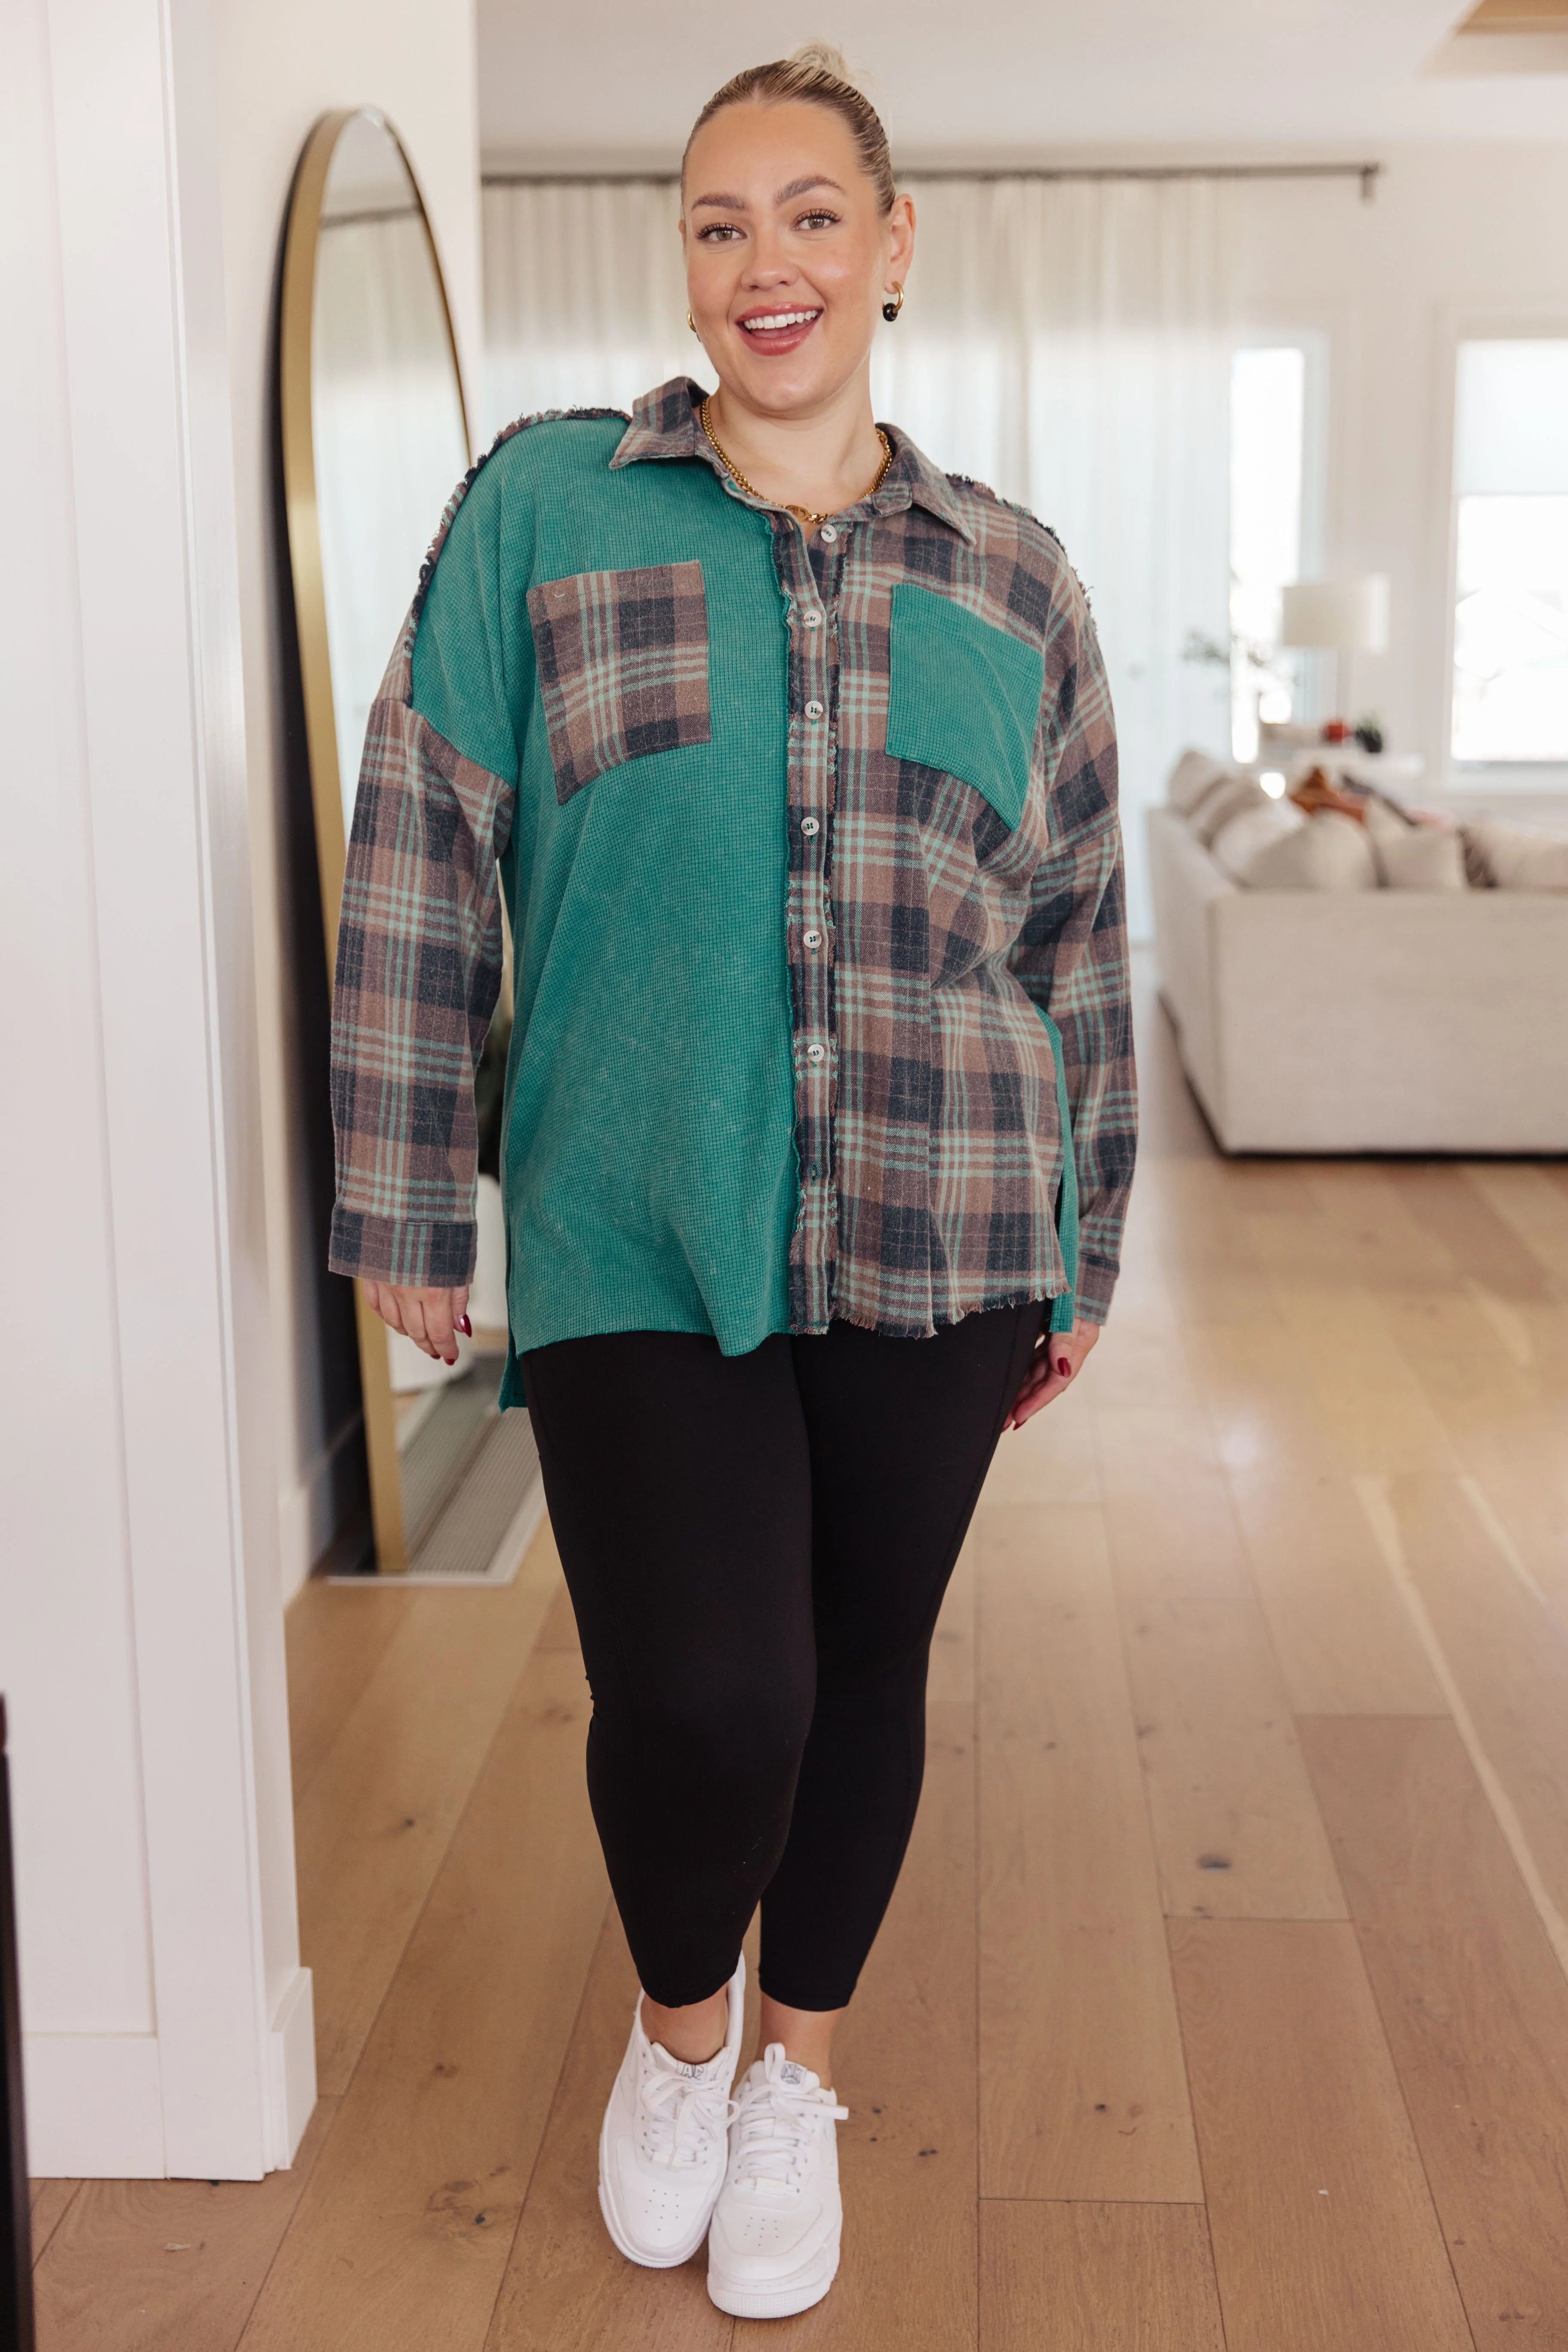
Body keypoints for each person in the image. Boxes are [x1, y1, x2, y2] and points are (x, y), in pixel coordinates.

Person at [328, 41, 1135, 2322]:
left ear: (890, 250)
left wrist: (1085, 1240)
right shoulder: (545, 510)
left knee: (864, 1664)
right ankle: (681, 2033)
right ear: (680, 265)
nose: (759, 261)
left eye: (805, 215)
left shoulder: (1015, 581)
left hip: (950, 1217)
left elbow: (1076, 938)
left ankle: (799, 2075)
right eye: (713, 221)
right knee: (706, 1695)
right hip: (627, 1212)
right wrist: (400, 1186)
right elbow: (420, 840)